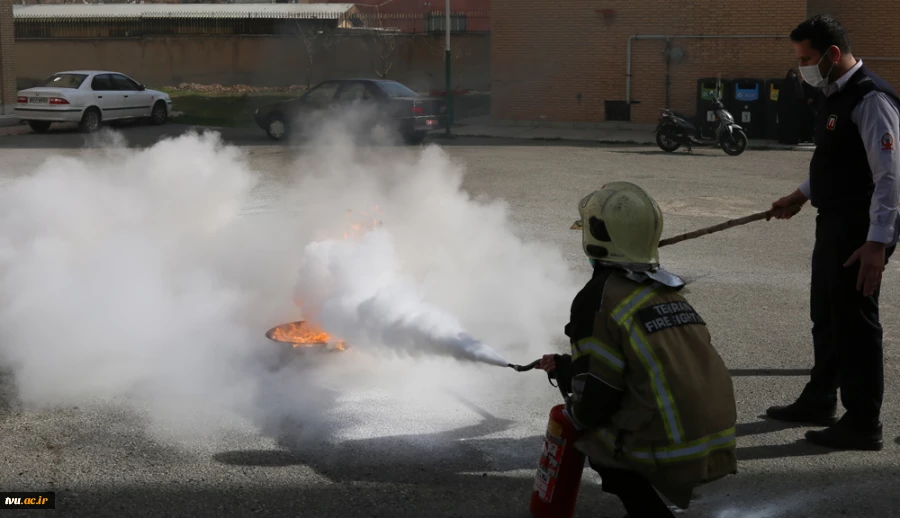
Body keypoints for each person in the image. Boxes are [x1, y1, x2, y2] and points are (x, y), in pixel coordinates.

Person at [540, 182, 737, 518]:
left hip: (677, 448)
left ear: (596, 238)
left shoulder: (597, 298)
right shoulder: (665, 289)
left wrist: (574, 409)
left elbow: (599, 398)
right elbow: (637, 362)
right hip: (718, 439)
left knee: (587, 432)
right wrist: (567, 366)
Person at [767, 15, 900, 451]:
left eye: (807, 58)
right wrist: (801, 195)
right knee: (826, 314)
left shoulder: (871, 99)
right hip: (835, 221)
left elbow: (890, 178)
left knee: (856, 322)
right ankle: (820, 398)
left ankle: (863, 422)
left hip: (862, 230)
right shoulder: (832, 94)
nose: (802, 66)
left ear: (833, 54)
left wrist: (877, 243)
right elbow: (837, 162)